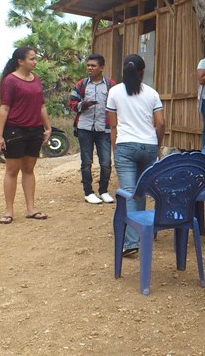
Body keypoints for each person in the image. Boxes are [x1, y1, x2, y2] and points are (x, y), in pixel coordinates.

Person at [107, 54, 164, 257]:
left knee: (129, 192)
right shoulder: (152, 93)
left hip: (125, 145)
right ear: (142, 72)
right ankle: (142, 231)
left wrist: (115, 149)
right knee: (141, 191)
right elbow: (160, 123)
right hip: (148, 146)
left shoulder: (114, 92)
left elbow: (113, 125)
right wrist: (158, 145)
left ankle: (131, 242)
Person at [0, 47, 52, 224]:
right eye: (31, 59)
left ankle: (31, 209)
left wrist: (48, 127)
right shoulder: (10, 80)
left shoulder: (36, 79)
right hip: (15, 130)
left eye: (35, 58)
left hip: (35, 130)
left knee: (29, 169)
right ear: (20, 61)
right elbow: (4, 109)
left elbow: (41, 106)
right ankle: (9, 211)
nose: (35, 62)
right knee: (12, 170)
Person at [69, 54, 116, 204]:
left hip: (104, 129)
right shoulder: (81, 84)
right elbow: (72, 104)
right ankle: (88, 192)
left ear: (101, 68)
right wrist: (84, 104)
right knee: (86, 162)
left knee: (106, 163)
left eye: (93, 65)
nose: (89, 68)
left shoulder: (111, 85)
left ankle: (103, 191)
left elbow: (117, 105)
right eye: (88, 65)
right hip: (85, 128)